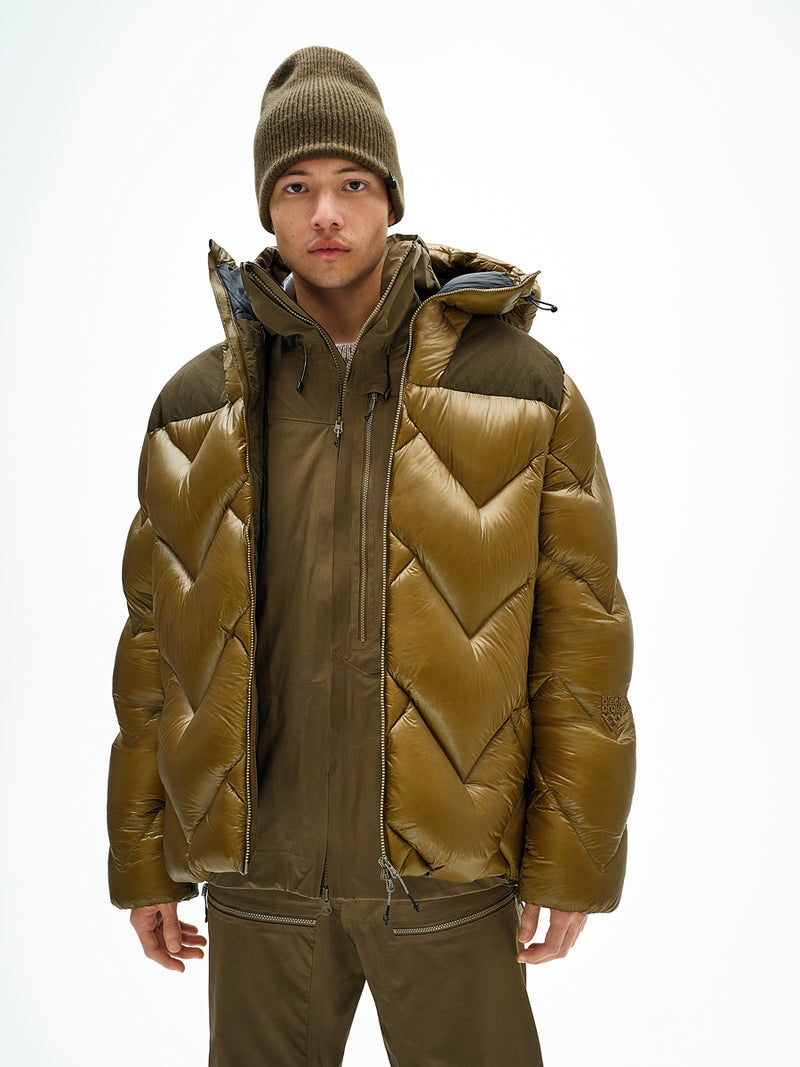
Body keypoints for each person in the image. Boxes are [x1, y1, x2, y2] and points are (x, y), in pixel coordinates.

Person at [107, 45, 635, 1066]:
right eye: (295, 187)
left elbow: (581, 636)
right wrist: (143, 856)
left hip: (446, 877)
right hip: (260, 883)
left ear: (391, 197)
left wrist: (572, 856)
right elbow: (153, 649)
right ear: (267, 209)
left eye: (352, 184)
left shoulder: (519, 385)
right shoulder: (197, 407)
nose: (325, 213)